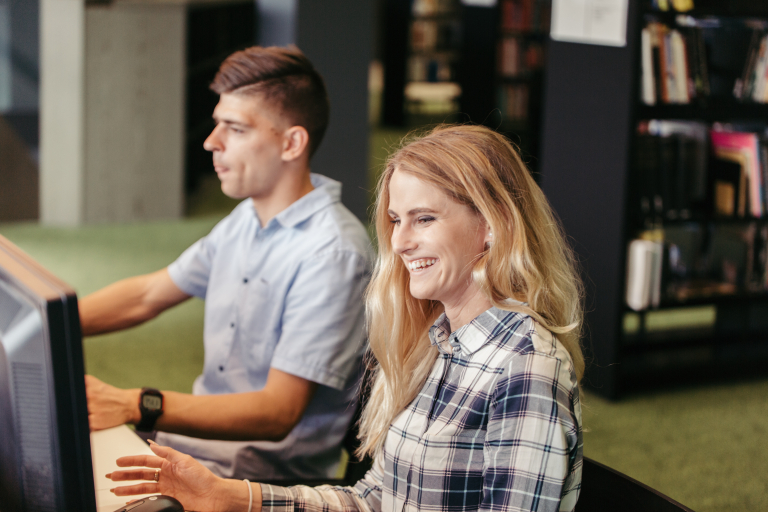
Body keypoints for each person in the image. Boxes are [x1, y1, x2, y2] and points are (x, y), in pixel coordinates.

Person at [105, 124, 585, 512]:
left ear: (492, 225)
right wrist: (231, 496)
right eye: (396, 221)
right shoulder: (436, 344)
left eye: (424, 219)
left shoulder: (525, 365)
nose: (398, 243)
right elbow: (374, 499)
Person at [81, 46, 373, 481]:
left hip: (253, 479)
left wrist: (134, 404)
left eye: (234, 129)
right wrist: (45, 324)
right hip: (187, 448)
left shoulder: (332, 254)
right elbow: (146, 296)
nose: (211, 142)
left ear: (292, 142)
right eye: (218, 124)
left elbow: (278, 412)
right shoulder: (246, 219)